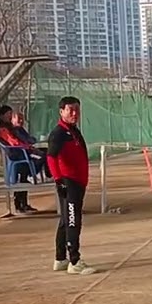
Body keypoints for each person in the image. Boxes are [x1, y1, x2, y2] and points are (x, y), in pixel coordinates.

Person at [47, 96, 98, 276]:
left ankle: (60, 258)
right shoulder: (58, 133)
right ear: (61, 112)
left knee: (65, 221)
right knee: (72, 220)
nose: (74, 113)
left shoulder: (73, 131)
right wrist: (59, 180)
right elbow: (51, 157)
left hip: (78, 181)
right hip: (69, 182)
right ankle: (74, 261)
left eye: (77, 109)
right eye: (70, 110)